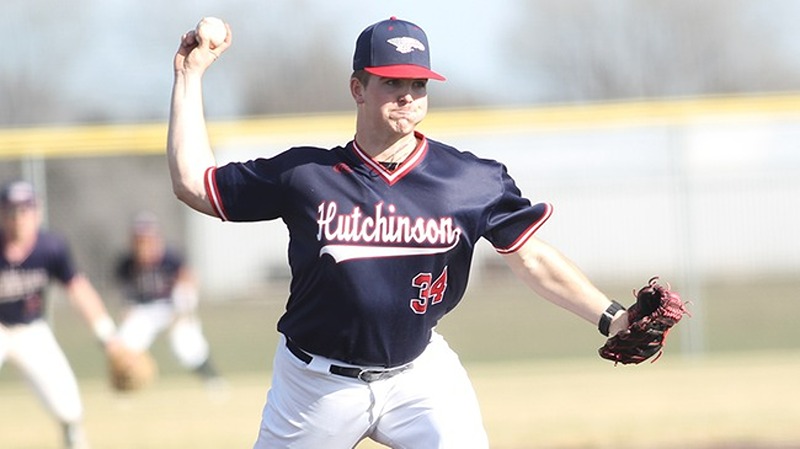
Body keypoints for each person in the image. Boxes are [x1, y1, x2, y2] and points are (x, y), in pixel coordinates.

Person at [167, 17, 631, 448]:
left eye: (418, 84)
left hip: (418, 374)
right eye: (391, 82)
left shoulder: (470, 180)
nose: (407, 95)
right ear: (358, 88)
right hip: (316, 385)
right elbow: (193, 184)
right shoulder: (307, 175)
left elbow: (531, 258)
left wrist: (611, 316)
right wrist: (190, 76)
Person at [0, 180, 118, 449]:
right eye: (11, 211)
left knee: (69, 406)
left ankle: (72, 438)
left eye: (25, 210)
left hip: (30, 329)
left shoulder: (50, 248)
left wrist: (106, 334)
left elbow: (79, 290)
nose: (19, 218)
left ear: (37, 213)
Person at [113, 211, 223, 388]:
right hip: (144, 311)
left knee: (186, 344)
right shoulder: (126, 263)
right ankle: (125, 387)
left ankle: (212, 379)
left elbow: (189, 281)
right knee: (125, 342)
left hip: (171, 308)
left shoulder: (170, 258)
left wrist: (183, 312)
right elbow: (126, 295)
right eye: (139, 240)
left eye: (147, 239)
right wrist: (127, 309)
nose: (144, 245)